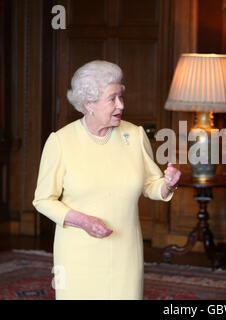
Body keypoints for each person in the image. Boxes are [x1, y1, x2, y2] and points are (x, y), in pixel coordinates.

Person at [33, 60, 181, 300]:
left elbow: (151, 185)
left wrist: (168, 184)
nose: (120, 105)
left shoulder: (134, 134)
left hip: (126, 253)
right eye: (112, 99)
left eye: (121, 96)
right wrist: (83, 221)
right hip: (78, 254)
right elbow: (43, 200)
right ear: (89, 103)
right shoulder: (61, 142)